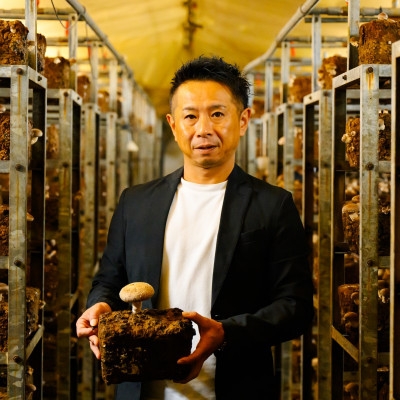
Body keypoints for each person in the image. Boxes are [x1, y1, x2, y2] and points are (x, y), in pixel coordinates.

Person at [76, 55, 314, 400]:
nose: (203, 129)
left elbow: (295, 307)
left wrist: (227, 333)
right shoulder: (136, 203)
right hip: (143, 388)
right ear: (173, 126)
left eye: (217, 114)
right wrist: (100, 305)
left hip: (236, 386)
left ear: (243, 120)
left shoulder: (272, 205)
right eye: (190, 116)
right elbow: (109, 280)